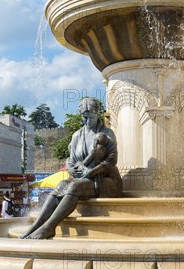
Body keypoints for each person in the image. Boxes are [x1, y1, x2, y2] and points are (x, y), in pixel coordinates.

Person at [21, 98, 123, 239]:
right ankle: (36, 226)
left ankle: (49, 228)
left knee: (74, 186)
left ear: (97, 113)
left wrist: (90, 172)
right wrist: (70, 168)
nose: (87, 121)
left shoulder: (107, 133)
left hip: (106, 181)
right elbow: (71, 160)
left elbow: (111, 161)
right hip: (84, 178)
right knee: (61, 185)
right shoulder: (77, 135)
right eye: (84, 117)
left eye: (91, 117)